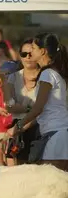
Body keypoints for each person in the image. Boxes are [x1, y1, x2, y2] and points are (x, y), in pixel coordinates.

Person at [8, 32, 68, 172]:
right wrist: (20, 128)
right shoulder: (53, 72)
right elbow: (41, 113)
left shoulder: (47, 74)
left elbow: (38, 109)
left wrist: (17, 126)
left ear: (42, 51)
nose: (30, 51)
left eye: (33, 48)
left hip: (56, 137)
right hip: (57, 134)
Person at [3, 38, 39, 166]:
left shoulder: (46, 77)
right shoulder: (12, 78)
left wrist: (23, 108)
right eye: (24, 54)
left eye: (31, 54)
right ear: (20, 55)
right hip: (17, 129)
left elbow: (42, 111)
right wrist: (31, 108)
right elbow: (10, 105)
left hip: (39, 128)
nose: (28, 57)